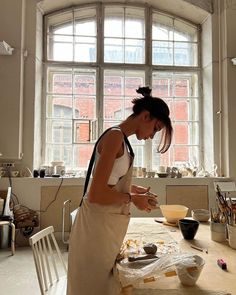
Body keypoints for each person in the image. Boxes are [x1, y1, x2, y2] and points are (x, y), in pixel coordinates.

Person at [66, 86, 173, 295]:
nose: (152, 136)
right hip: (94, 231)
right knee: (91, 288)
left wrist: (133, 189)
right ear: (145, 116)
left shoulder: (123, 140)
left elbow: (108, 182)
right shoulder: (115, 136)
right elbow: (96, 194)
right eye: (155, 129)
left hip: (102, 228)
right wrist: (132, 198)